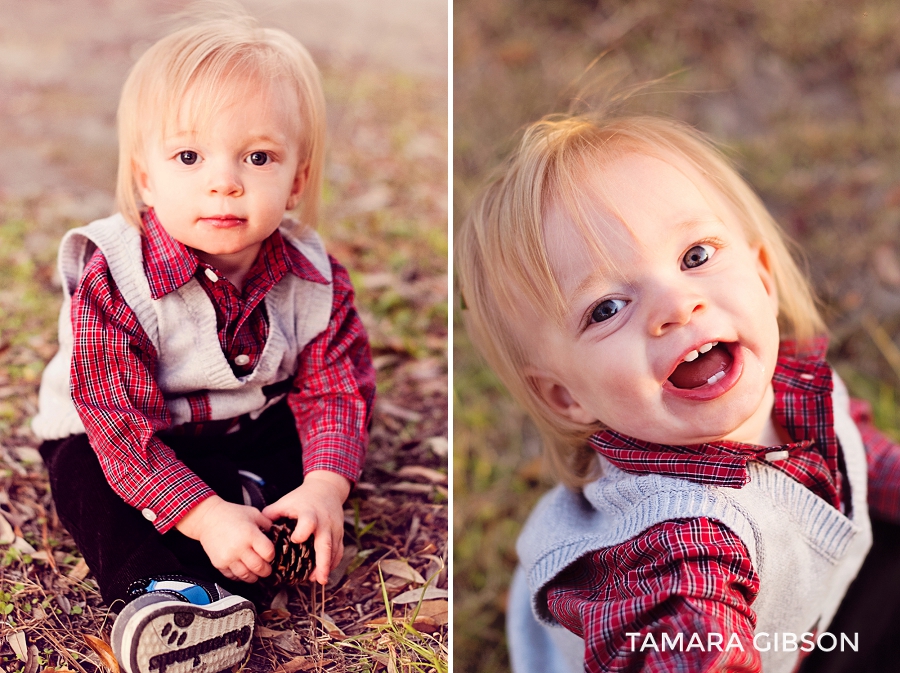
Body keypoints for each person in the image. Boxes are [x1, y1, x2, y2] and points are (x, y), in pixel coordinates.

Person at [456, 112, 900, 672]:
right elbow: (686, 638)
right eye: (607, 309)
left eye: (696, 256)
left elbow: (852, 450)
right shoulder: (677, 542)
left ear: (762, 278)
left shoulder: (792, 384)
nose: (675, 305)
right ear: (567, 397)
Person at [31, 10, 375, 673]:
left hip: (240, 427)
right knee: (86, 477)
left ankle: (241, 556)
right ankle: (158, 590)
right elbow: (119, 423)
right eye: (190, 156)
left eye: (259, 156)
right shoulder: (116, 275)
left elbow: (334, 386)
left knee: (300, 456)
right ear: (146, 177)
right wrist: (199, 512)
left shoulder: (313, 275)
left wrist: (325, 486)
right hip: (120, 438)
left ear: (297, 179)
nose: (226, 181)